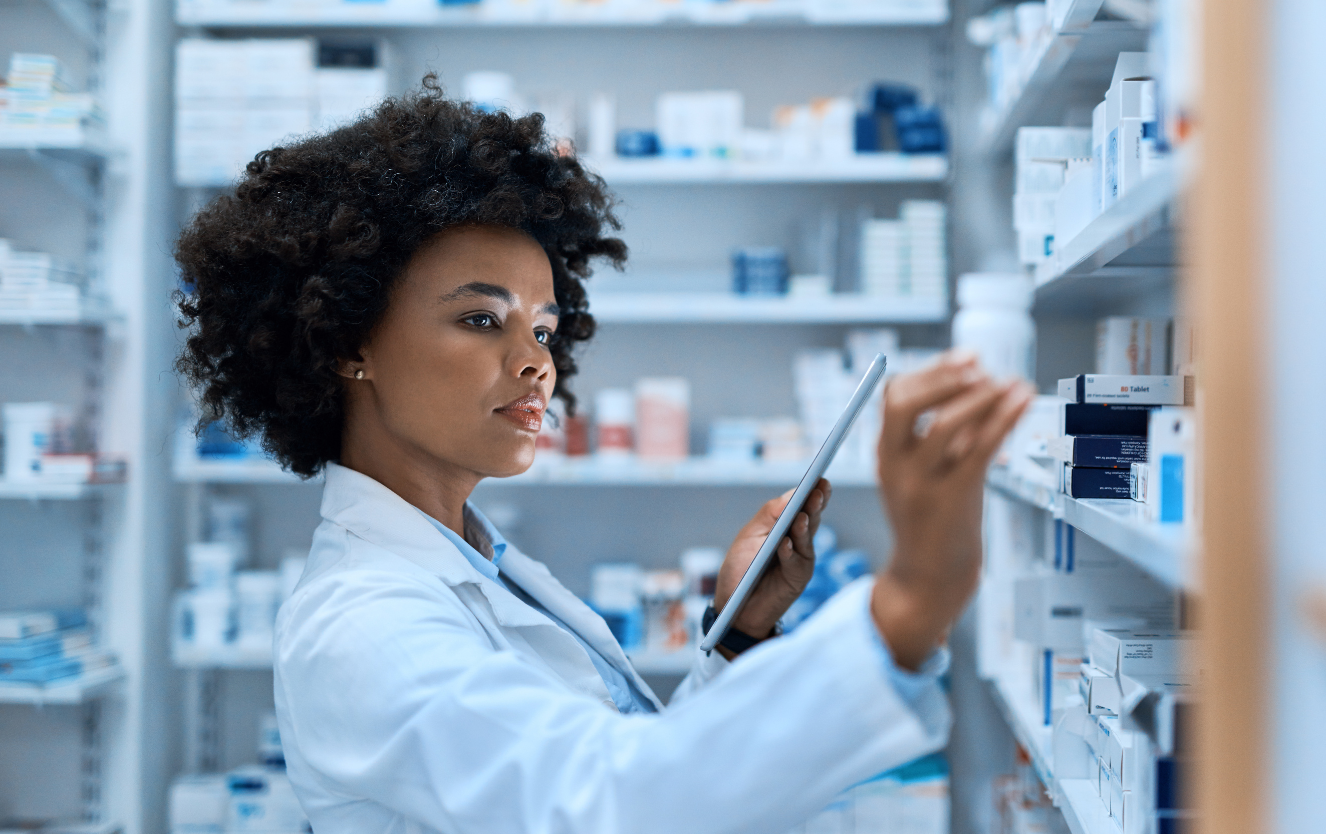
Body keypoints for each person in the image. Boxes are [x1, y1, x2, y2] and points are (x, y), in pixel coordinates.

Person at [174, 78, 1033, 834]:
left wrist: (737, 638)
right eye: (483, 319)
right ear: (345, 342)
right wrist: (913, 601)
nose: (537, 361)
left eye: (544, 329)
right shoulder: (363, 629)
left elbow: (637, 762)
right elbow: (613, 807)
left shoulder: (477, 562)